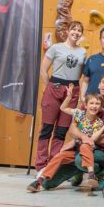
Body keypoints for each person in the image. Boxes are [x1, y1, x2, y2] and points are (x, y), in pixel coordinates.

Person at [43, 73, 104, 190]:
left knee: (80, 159)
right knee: (46, 184)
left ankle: (99, 174)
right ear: (99, 85)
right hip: (80, 147)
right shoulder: (89, 103)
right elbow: (72, 128)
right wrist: (83, 138)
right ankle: (77, 171)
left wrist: (80, 139)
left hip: (101, 151)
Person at [28, 90, 104, 192]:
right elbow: (62, 108)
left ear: (100, 107)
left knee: (85, 145)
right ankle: (39, 181)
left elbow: (92, 140)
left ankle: (91, 174)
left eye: (97, 104)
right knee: (61, 155)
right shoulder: (79, 114)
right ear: (85, 105)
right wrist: (68, 97)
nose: (94, 106)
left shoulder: (98, 122)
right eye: (91, 103)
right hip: (76, 150)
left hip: (89, 149)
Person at [35, 20, 86, 171]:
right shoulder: (56, 48)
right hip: (54, 87)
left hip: (72, 90)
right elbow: (44, 70)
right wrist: (48, 86)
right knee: (47, 128)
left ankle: (53, 165)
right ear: (68, 31)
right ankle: (41, 166)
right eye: (73, 29)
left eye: (79, 30)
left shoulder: (83, 52)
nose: (76, 32)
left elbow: (82, 73)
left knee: (61, 130)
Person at [80, 27, 104, 97]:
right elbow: (85, 81)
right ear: (100, 40)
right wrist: (82, 97)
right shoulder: (92, 59)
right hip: (90, 103)